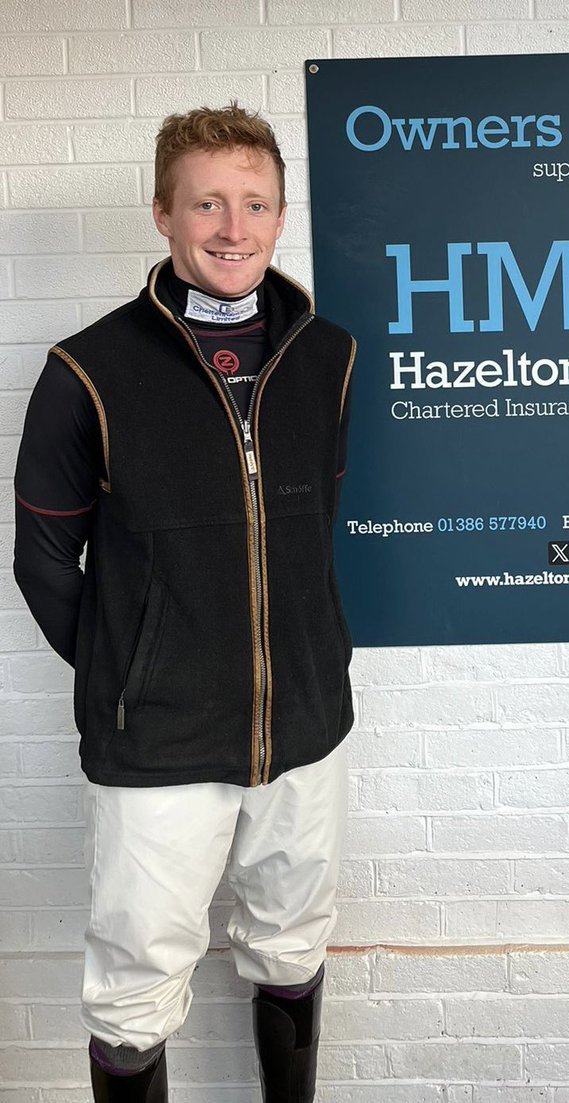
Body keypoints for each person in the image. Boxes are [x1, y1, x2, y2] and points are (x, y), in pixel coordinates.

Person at [13, 103, 356, 1102]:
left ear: (282, 213)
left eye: (254, 203)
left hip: (305, 725)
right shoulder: (87, 371)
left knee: (292, 946)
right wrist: (139, 674)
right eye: (206, 202)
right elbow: (43, 562)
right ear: (162, 212)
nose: (232, 226)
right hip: (156, 742)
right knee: (133, 990)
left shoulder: (328, 359)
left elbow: (310, 527)